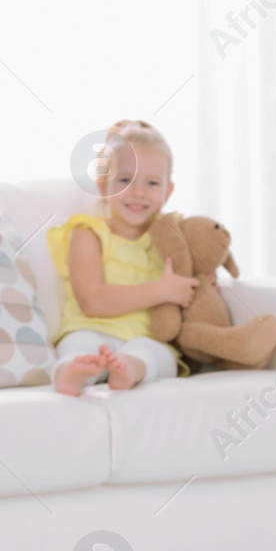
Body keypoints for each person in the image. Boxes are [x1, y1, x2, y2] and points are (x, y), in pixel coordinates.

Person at [48, 119, 199, 395]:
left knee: (157, 355)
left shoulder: (173, 236)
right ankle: (72, 373)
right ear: (104, 185)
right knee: (78, 348)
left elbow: (194, 278)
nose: (138, 192)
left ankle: (128, 369)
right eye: (125, 180)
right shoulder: (88, 232)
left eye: (152, 183)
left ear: (168, 191)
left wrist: (204, 284)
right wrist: (162, 290)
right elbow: (92, 301)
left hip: (146, 338)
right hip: (90, 329)